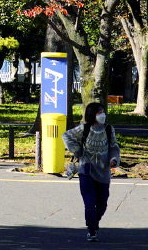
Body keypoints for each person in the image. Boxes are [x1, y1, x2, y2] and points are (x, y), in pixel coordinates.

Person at [63, 102, 120, 243]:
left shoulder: (108, 129)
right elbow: (66, 136)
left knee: (102, 203)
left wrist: (114, 159)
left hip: (103, 172)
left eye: (103, 112)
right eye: (99, 112)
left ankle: (94, 222)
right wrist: (77, 150)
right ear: (92, 114)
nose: (102, 115)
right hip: (86, 170)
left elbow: (114, 147)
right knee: (89, 203)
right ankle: (92, 230)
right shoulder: (84, 128)